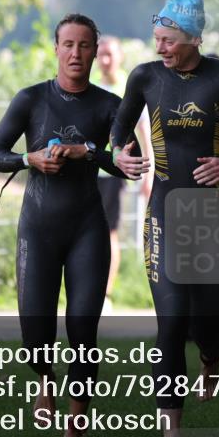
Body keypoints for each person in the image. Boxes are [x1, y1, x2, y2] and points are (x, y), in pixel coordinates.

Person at [111, 0, 219, 437]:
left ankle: (211, 358)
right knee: (171, 322)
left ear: (194, 39)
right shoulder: (144, 77)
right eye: (157, 38)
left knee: (209, 322)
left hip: (214, 215)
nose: (161, 47)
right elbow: (119, 131)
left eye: (169, 41)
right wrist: (122, 153)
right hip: (163, 211)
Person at [0, 14, 140, 437]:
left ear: (94, 51)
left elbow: (132, 162)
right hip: (38, 228)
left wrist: (87, 151)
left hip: (87, 228)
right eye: (68, 44)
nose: (76, 53)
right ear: (56, 48)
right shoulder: (31, 100)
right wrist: (28, 159)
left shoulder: (110, 105)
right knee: (35, 333)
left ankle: (76, 420)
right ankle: (45, 380)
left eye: (84, 45)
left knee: (83, 328)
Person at [94, 36, 152, 311]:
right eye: (100, 55)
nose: (104, 60)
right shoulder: (90, 89)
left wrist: (148, 174)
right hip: (86, 172)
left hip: (113, 176)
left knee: (108, 233)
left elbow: (145, 134)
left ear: (119, 57)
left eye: (109, 54)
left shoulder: (130, 91)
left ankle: (105, 294)